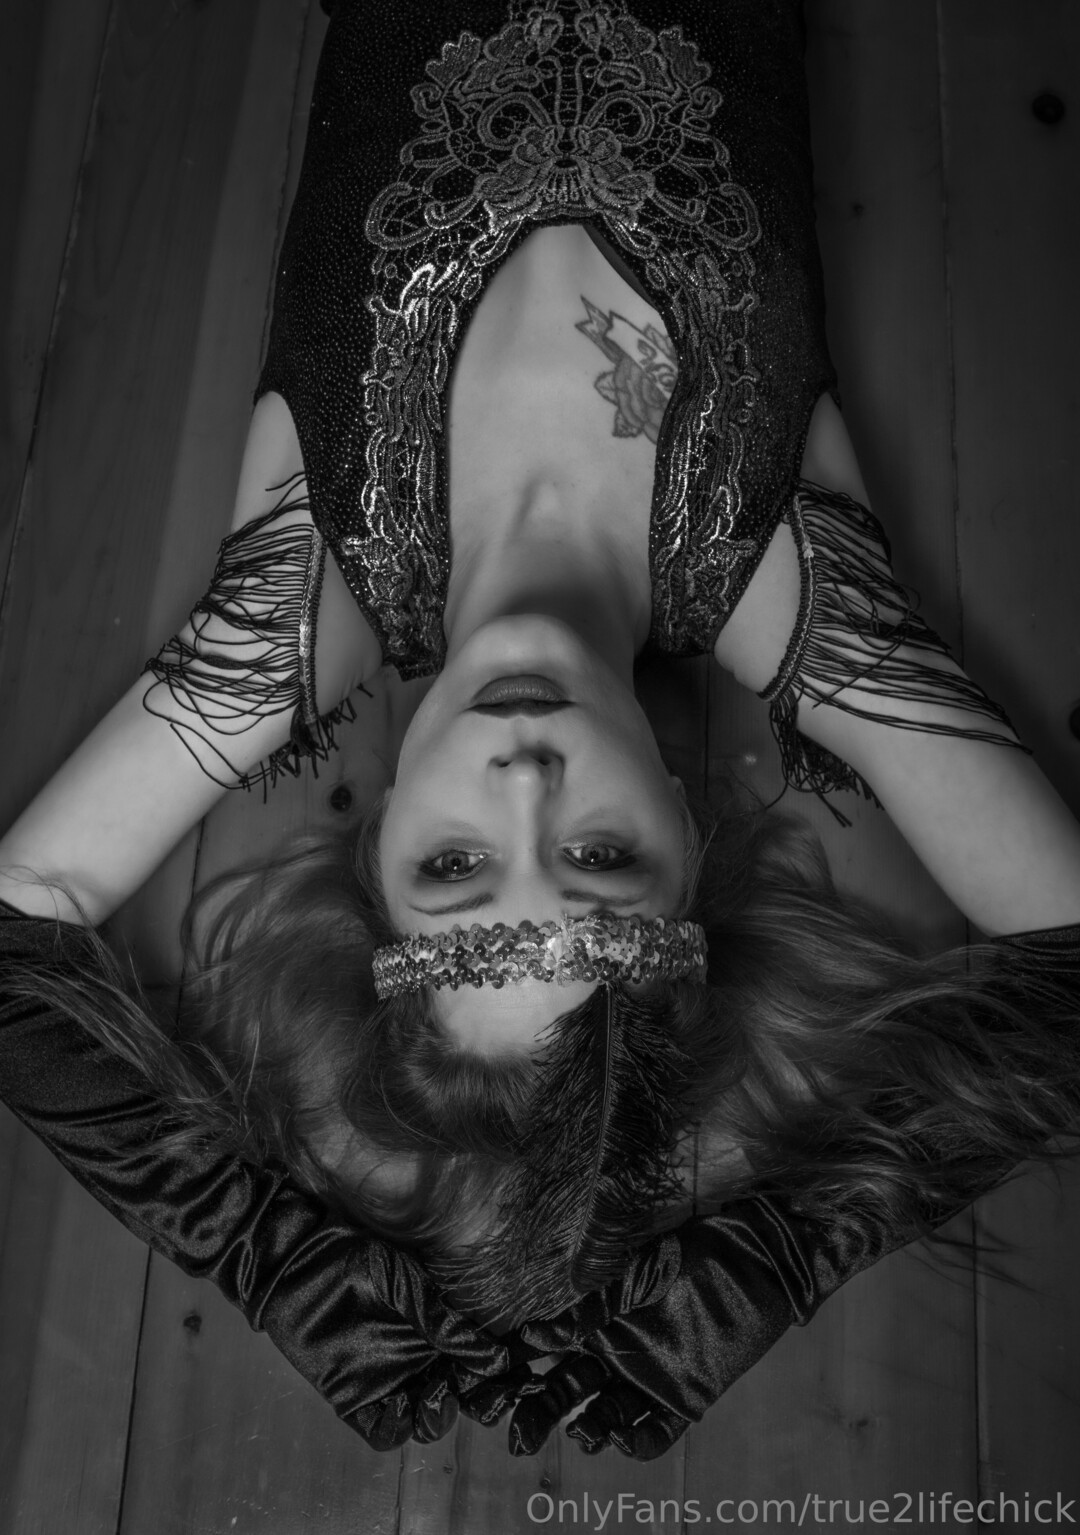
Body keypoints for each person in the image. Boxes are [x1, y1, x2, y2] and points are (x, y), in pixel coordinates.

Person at [2, 0, 1079, 1460]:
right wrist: (775, 1259)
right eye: (598, 857)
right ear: (684, 831)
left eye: (455, 868)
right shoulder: (797, 592)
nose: (523, 778)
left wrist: (267, 1256)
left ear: (384, 840)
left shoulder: (289, 611)